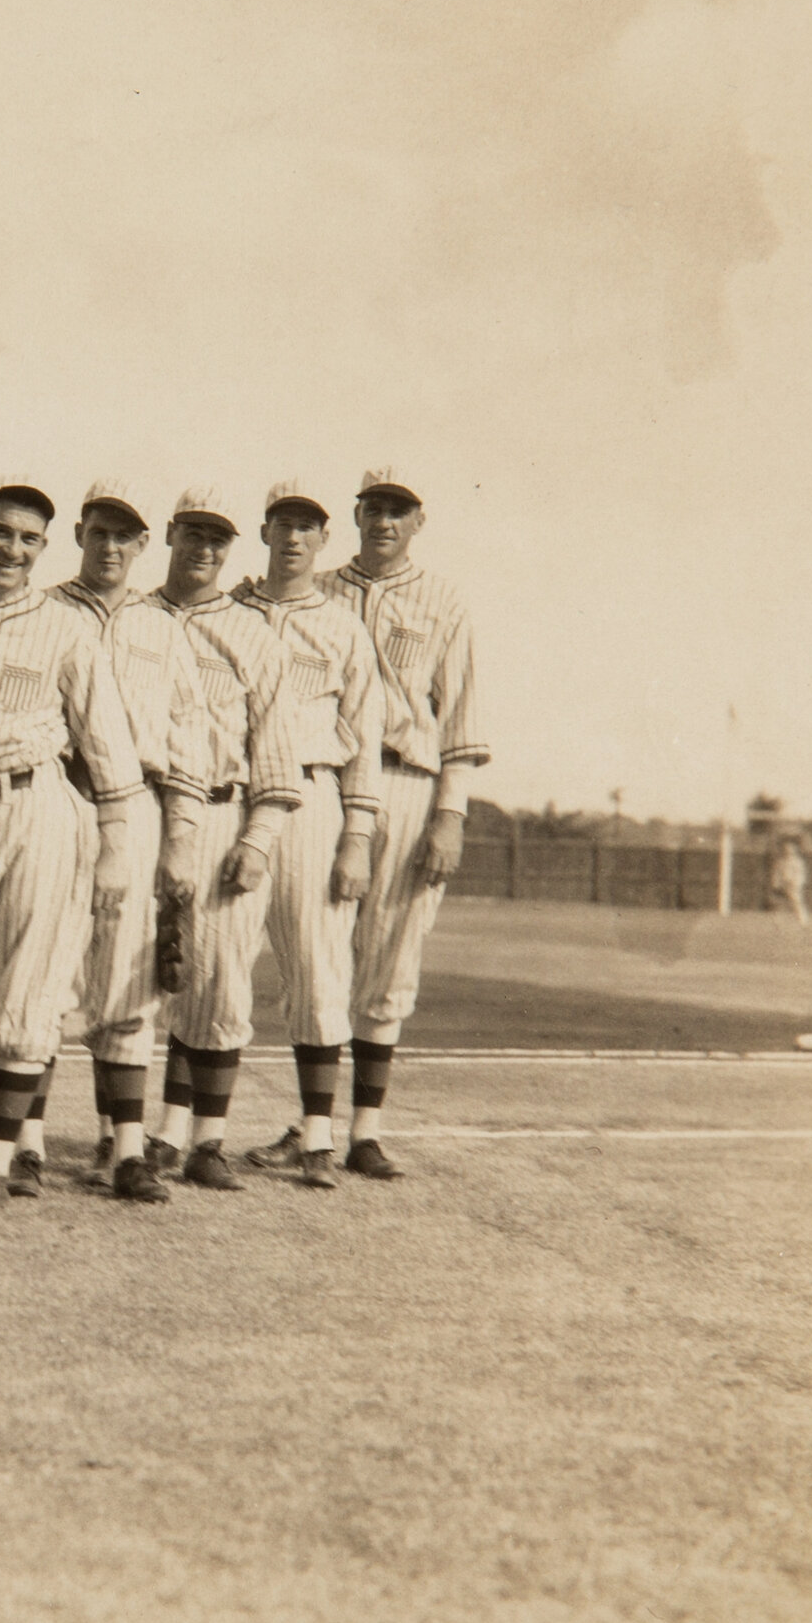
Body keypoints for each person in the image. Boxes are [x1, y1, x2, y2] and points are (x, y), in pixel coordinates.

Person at [0, 484, 143, 1202]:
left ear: (44, 548)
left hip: (35, 805)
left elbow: (108, 745)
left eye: (28, 539)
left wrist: (115, 843)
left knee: (28, 992)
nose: (11, 549)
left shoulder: (63, 626)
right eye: (0, 532)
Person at [44, 479, 209, 1189]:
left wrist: (181, 836)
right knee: (44, 971)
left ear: (145, 545)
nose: (110, 546)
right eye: (99, 531)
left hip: (137, 802)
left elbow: (188, 735)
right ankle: (23, 1143)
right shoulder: (44, 610)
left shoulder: (162, 627)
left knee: (126, 979)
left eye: (125, 536)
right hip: (54, 794)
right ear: (79, 533)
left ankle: (128, 1148)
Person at [324, 467, 488, 1175]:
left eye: (399, 510)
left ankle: (364, 1130)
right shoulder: (319, 590)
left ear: (419, 521)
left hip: (406, 782)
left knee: (391, 958)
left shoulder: (444, 599)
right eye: (374, 507)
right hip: (324, 785)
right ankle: (310, 1129)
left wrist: (450, 816)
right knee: (318, 958)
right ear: (356, 513)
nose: (384, 520)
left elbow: (462, 715)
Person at [227, 480, 385, 1191]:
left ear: (325, 541)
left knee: (319, 970)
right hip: (232, 797)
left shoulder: (343, 626)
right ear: (263, 532)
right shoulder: (228, 611)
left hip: (314, 796)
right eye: (283, 525)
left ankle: (317, 1137)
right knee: (212, 961)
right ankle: (185, 1134)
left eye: (308, 528)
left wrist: (358, 834)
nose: (294, 538)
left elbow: (367, 737)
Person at [145, 487, 301, 1192]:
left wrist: (259, 838)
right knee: (123, 984)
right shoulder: (133, 618)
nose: (204, 550)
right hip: (135, 811)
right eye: (193, 534)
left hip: (218, 814)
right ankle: (134, 1140)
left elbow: (275, 751)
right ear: (171, 534)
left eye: (218, 540)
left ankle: (202, 1141)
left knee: (217, 984)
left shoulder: (253, 635)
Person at [769, 832, 810, 926]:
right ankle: (777, 922)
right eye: (786, 849)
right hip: (782, 884)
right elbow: (776, 873)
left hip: (793, 885)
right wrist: (776, 883)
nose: (788, 851)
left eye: (790, 849)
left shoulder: (798, 862)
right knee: (779, 904)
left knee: (796, 902)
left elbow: (801, 873)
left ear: (794, 850)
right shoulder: (780, 861)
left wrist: (797, 883)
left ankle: (803, 921)